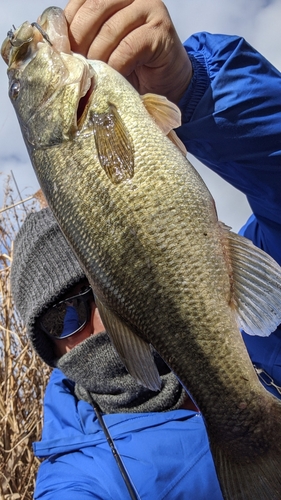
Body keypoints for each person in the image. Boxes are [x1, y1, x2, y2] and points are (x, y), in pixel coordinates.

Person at [10, 0, 281, 498]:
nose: (94, 319)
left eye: (99, 288)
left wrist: (192, 85)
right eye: (63, 318)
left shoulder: (255, 338)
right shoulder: (82, 479)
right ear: (46, 349)